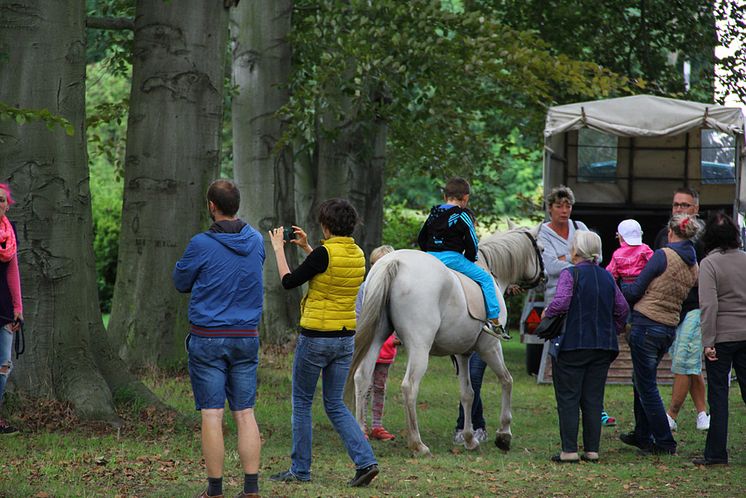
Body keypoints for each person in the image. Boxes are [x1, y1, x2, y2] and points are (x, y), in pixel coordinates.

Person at [268, 198, 379, 487]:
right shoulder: (357, 253)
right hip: (344, 339)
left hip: (316, 337)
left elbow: (289, 281)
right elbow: (330, 270)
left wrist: (279, 249)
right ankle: (365, 461)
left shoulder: (324, 254)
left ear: (326, 226)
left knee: (302, 403)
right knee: (335, 404)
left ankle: (300, 470)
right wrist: (306, 247)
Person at [172, 179, 265, 498]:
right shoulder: (255, 240)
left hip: (209, 337)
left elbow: (181, 281)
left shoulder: (200, 244)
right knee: (245, 412)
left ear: (212, 206)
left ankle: (215, 490)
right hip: (246, 336)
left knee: (212, 414)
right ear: (236, 205)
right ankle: (251, 488)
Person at [543, 231, 629, 462]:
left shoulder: (570, 274)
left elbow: (561, 302)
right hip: (603, 346)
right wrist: (614, 328)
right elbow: (622, 309)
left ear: (576, 251)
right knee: (593, 399)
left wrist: (546, 313)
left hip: (573, 344)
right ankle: (592, 451)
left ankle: (569, 451)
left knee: (569, 397)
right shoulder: (608, 277)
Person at [620, 213, 700, 456]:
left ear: (670, 233)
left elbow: (634, 292)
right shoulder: (693, 265)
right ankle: (642, 434)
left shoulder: (662, 255)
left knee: (646, 386)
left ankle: (664, 442)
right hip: (668, 328)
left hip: (646, 324)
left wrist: (619, 283)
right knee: (641, 379)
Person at [537, 186, 615, 426]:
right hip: (559, 299)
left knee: (589, 353)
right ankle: (570, 408)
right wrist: (579, 260)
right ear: (550, 207)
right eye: (559, 205)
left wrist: (566, 259)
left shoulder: (579, 227)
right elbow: (549, 267)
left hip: (586, 296)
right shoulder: (542, 233)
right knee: (564, 355)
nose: (564, 210)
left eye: (568, 206)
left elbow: (597, 258)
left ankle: (595, 408)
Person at [417, 177, 504, 336]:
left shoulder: (434, 213)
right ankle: (494, 320)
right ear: (466, 198)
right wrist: (470, 259)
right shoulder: (462, 215)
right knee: (485, 278)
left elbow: (421, 237)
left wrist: (429, 253)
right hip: (452, 258)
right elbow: (473, 242)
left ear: (444, 197)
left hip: (430, 257)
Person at [692, 212, 746, 466]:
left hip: (722, 337)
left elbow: (709, 305)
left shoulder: (709, 264)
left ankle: (715, 454)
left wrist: (708, 341)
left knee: (719, 395)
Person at [654, 188, 709, 432]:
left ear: (696, 209)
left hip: (696, 306)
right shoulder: (662, 236)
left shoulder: (705, 238)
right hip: (670, 307)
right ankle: (702, 413)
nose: (679, 209)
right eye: (676, 204)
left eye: (685, 205)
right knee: (689, 362)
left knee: (684, 361)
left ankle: (671, 416)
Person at [355, 244, 399, 441]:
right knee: (364, 385)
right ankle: (361, 424)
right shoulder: (365, 287)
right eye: (372, 264)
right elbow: (357, 313)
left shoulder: (397, 291)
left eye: (379, 264)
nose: (374, 268)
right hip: (367, 346)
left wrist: (397, 336)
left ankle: (377, 425)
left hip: (386, 348)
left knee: (380, 387)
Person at [0, 183, 23, 436]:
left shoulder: (10, 233)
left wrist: (18, 307)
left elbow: (14, 271)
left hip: (5, 308)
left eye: (2, 200)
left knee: (4, 364)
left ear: (8, 204)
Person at [606, 219, 654, 292]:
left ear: (621, 237)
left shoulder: (617, 254)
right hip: (644, 284)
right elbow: (654, 264)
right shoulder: (645, 249)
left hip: (626, 286)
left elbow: (611, 274)